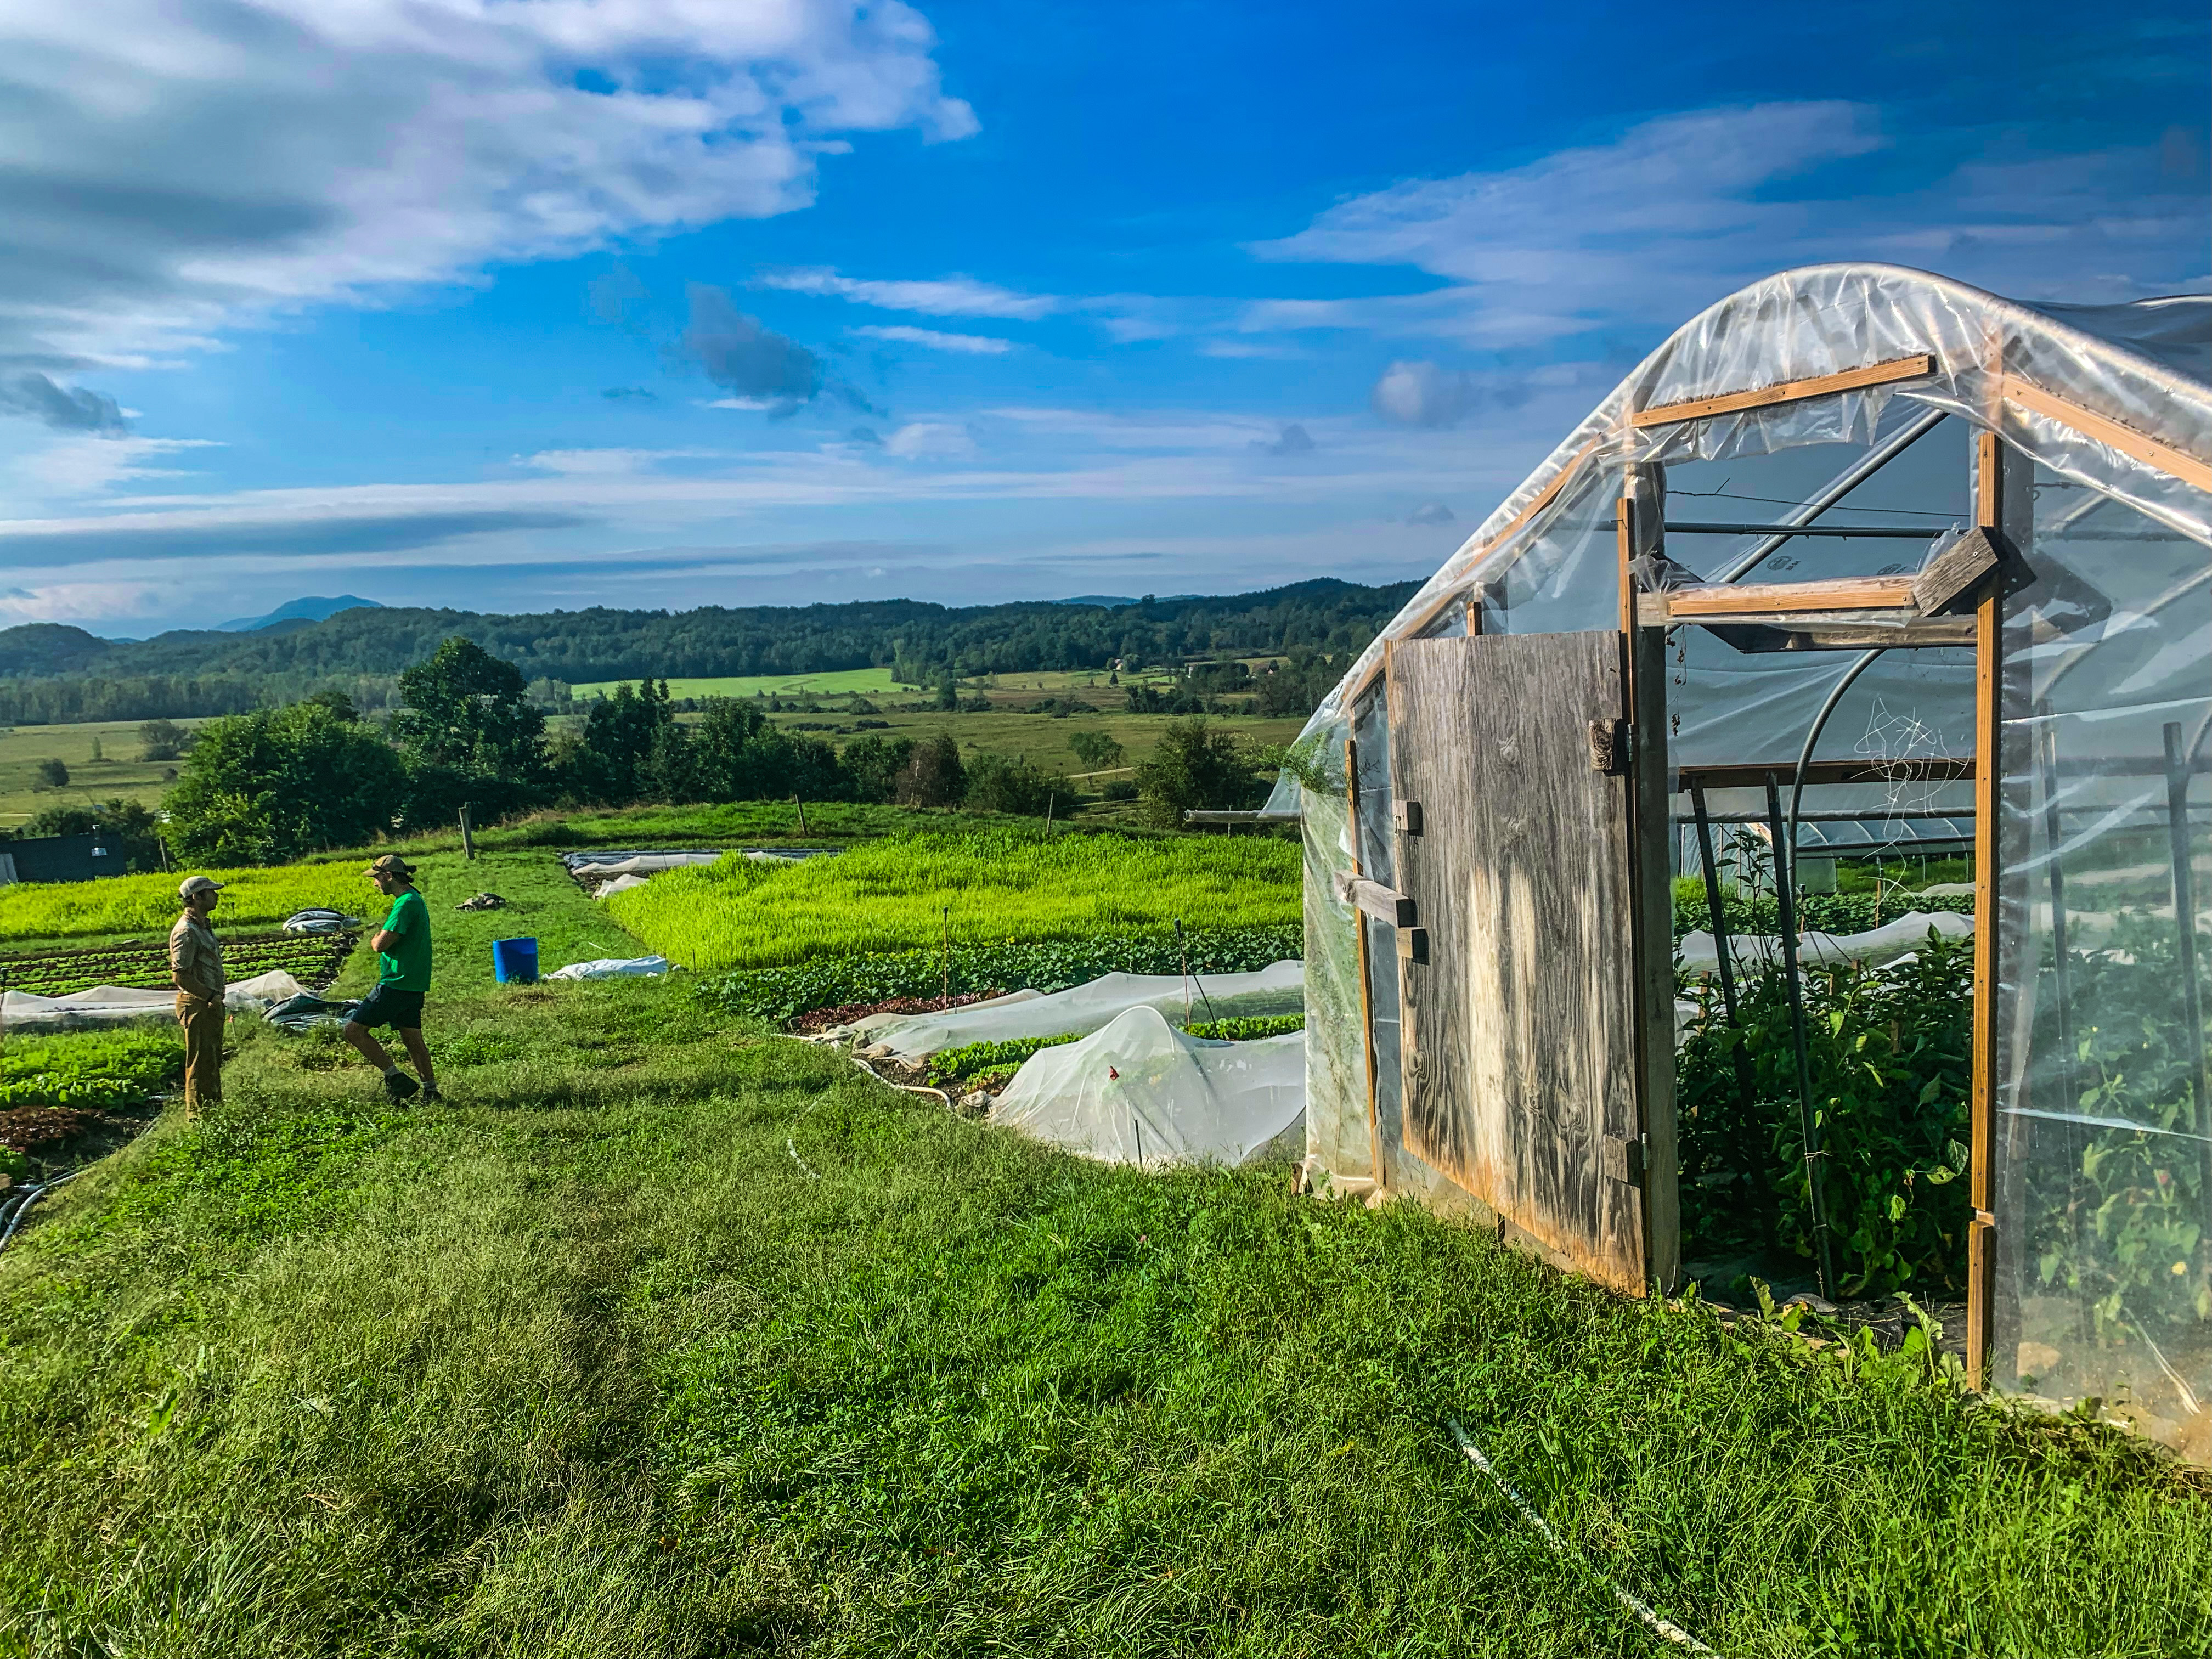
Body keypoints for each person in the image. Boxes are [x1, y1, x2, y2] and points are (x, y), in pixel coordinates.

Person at [343, 854, 440, 1102]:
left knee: (354, 1031)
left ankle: (395, 1078)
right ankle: (430, 1090)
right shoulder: (414, 899)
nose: (375, 884)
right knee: (412, 1038)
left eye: (376, 878)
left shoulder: (405, 903)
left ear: (388, 877)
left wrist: (375, 938)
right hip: (414, 983)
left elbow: (381, 945)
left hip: (396, 982)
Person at [169, 874, 227, 1118]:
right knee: (199, 1063)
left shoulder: (202, 926)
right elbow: (180, 975)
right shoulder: (187, 931)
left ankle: (214, 1111)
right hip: (198, 1004)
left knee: (211, 1060)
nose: (216, 896)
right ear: (196, 897)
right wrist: (209, 996)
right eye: (211, 892)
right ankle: (199, 1117)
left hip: (209, 1002)